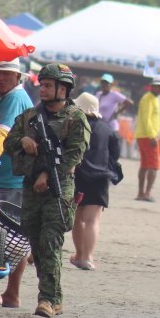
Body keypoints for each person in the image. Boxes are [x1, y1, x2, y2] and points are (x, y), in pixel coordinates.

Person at [5, 63, 90, 318]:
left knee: (50, 241)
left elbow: (75, 154)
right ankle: (54, 295)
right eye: (42, 85)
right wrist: (23, 140)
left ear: (63, 89)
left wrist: (46, 174)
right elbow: (9, 141)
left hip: (58, 188)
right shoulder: (30, 117)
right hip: (31, 187)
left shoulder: (76, 118)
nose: (43, 89)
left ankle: (48, 299)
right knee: (35, 240)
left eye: (49, 86)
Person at [0, 59, 34, 307]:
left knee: (10, 236)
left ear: (17, 77)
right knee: (11, 235)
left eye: (6, 74)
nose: (0, 78)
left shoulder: (14, 98)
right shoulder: (7, 97)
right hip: (8, 176)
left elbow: (2, 132)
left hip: (12, 178)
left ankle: (10, 292)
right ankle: (5, 291)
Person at [71, 91, 120, 271]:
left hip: (79, 175)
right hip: (100, 178)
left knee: (78, 218)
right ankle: (88, 257)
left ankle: (78, 255)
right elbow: (115, 154)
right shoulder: (107, 128)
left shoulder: (76, 125)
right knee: (93, 220)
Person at [135, 77, 160, 201]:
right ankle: (146, 193)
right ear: (152, 86)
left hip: (144, 136)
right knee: (153, 166)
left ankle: (141, 193)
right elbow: (146, 119)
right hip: (148, 136)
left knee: (144, 165)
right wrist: (152, 136)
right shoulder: (148, 98)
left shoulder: (152, 98)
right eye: (158, 86)